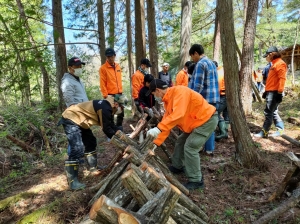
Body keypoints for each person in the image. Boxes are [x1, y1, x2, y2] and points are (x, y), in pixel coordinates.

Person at [146, 79, 218, 190]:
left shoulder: (179, 92)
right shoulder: (168, 101)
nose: (155, 96)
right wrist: (155, 143)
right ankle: (177, 166)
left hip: (206, 121)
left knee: (191, 146)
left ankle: (196, 180)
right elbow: (167, 123)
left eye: (153, 93)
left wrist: (158, 129)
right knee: (181, 141)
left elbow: (178, 114)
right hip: (196, 123)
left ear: (158, 90)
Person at [58, 94, 128, 190]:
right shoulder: (105, 108)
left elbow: (111, 124)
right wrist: (118, 141)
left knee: (91, 141)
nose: (122, 109)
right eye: (122, 106)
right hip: (71, 118)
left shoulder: (109, 107)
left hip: (81, 120)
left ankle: (93, 168)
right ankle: (72, 182)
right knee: (77, 148)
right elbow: (106, 129)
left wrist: (121, 135)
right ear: (116, 104)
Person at [189, 44, 219, 155]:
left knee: (204, 124)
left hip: (206, 100)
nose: (192, 59)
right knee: (211, 124)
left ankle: (207, 149)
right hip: (214, 98)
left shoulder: (201, 64)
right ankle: (209, 148)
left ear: (196, 53)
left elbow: (198, 85)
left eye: (192, 56)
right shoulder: (211, 62)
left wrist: (191, 99)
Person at [254, 46, 287, 138]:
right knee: (274, 111)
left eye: (267, 56)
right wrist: (266, 91)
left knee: (268, 112)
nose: (266, 58)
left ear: (271, 54)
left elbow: (282, 79)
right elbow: (272, 80)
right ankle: (280, 130)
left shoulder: (280, 63)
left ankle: (264, 132)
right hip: (271, 92)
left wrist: (279, 93)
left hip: (275, 92)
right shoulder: (273, 64)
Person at [99, 48, 124, 127]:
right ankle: (111, 130)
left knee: (121, 112)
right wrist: (106, 95)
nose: (110, 58)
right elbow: (102, 83)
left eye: (111, 56)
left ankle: (119, 128)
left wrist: (120, 91)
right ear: (106, 57)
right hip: (110, 94)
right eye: (108, 56)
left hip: (120, 93)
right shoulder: (103, 68)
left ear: (114, 56)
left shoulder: (118, 66)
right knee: (110, 113)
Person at [213, 61, 229, 141]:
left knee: (216, 113)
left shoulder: (219, 73)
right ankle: (226, 132)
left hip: (223, 95)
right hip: (228, 95)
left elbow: (218, 88)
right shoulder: (223, 70)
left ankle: (223, 133)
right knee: (226, 113)